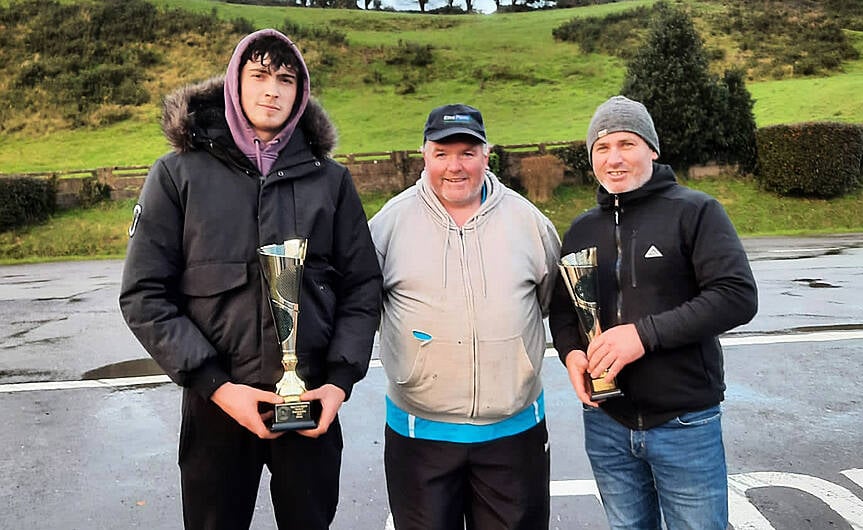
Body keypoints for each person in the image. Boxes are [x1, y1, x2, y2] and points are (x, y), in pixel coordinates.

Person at [118, 29, 382, 529]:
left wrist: (338, 385)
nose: (272, 91)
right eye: (259, 75)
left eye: (286, 79)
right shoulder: (177, 176)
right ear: (234, 84)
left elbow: (363, 286)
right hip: (216, 406)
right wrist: (216, 386)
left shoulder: (331, 181)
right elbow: (143, 295)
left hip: (310, 405)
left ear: (300, 93)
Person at [548, 96, 758, 530]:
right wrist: (571, 353)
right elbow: (565, 310)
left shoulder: (695, 211)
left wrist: (641, 336)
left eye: (627, 143)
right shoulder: (582, 228)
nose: (614, 158)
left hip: (683, 421)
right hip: (606, 422)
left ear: (652, 149)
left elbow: (736, 295)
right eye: (601, 148)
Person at [369, 103, 561, 530]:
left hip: (514, 435)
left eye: (467, 153)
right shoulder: (388, 225)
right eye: (442, 153)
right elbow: (362, 306)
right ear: (424, 155)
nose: (454, 166)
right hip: (420, 435)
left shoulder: (529, 222)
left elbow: (550, 301)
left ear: (486, 155)